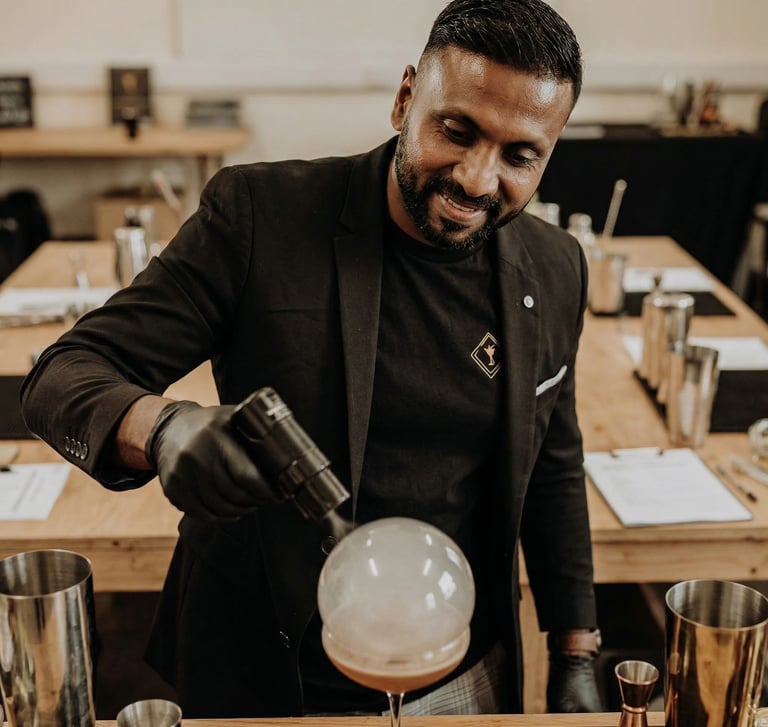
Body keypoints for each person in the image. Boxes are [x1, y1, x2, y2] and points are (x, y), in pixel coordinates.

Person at [21, 0, 603, 718]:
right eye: (457, 131)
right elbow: (62, 373)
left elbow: (553, 465)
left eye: (520, 156)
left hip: (462, 676)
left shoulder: (555, 267)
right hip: (272, 676)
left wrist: (576, 651)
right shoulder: (261, 216)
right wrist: (163, 428)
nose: (478, 180)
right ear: (405, 99)